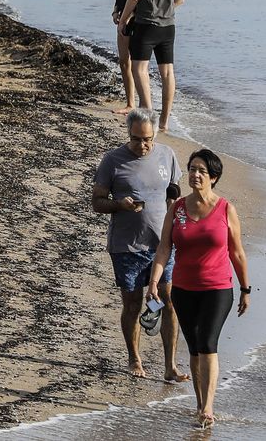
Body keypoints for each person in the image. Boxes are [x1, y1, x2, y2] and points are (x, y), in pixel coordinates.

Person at [149, 149, 252, 429]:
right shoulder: (178, 208)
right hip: (183, 290)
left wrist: (245, 288)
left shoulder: (226, 209)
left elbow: (238, 253)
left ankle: (208, 407)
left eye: (202, 171)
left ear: (214, 177)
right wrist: (154, 282)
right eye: (192, 169)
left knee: (207, 343)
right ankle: (199, 403)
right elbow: (163, 249)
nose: (195, 174)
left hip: (217, 289)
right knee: (194, 349)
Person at [93, 110, 189, 383]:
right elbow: (97, 202)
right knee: (133, 304)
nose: (143, 145)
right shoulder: (112, 161)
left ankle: (170, 365)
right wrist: (118, 204)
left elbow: (173, 190)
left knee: (169, 301)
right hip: (126, 246)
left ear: (154, 135)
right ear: (129, 134)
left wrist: (176, 214)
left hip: (162, 245)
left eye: (147, 139)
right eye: (137, 139)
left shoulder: (167, 154)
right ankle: (134, 357)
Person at [116, 0, 185, 133]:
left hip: (146, 25)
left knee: (140, 68)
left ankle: (147, 115)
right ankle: (164, 122)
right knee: (167, 73)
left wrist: (124, 19)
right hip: (168, 26)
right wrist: (166, 9)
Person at [111, 0, 145, 112]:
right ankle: (130, 103)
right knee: (124, 62)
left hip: (138, 20)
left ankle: (143, 104)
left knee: (139, 65)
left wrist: (128, 17)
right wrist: (115, 12)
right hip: (122, 21)